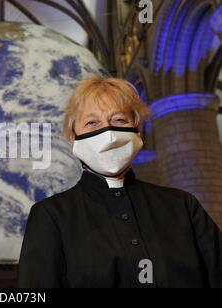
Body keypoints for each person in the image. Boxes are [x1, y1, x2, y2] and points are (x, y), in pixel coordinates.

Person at [17, 75, 221, 288]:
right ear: (72, 136)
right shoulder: (52, 215)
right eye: (92, 122)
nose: (109, 133)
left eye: (119, 120)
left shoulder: (182, 206)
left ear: (137, 129)